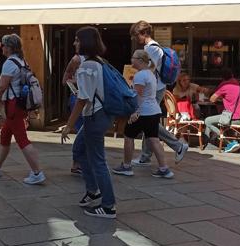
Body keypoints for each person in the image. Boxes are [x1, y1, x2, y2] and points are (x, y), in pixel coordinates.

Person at [58, 27, 117, 218]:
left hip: (94, 116)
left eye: (77, 40)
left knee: (98, 160)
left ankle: (108, 205)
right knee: (79, 150)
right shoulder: (99, 62)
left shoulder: (87, 66)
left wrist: (68, 124)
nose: (74, 43)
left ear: (85, 42)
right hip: (101, 114)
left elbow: (83, 99)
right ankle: (93, 191)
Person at [0, 34, 45, 185]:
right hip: (18, 104)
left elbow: (2, 87)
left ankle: (37, 172)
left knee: (22, 139)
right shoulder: (22, 61)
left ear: (9, 47)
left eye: (3, 45)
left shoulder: (9, 63)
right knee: (5, 135)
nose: (1, 48)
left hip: (13, 106)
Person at [128, 21, 188, 166]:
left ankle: (177, 145)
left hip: (154, 88)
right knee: (147, 120)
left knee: (149, 120)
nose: (136, 39)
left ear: (143, 33)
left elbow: (149, 70)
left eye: (136, 36)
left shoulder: (151, 49)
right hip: (157, 87)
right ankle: (145, 155)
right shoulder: (154, 47)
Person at [113, 49, 172, 178]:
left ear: (139, 60)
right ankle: (164, 168)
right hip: (154, 111)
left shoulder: (140, 76)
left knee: (128, 136)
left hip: (143, 112)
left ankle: (127, 166)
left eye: (133, 57)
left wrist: (135, 112)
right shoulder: (150, 74)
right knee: (154, 140)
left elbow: (137, 96)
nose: (131, 60)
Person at [204, 69, 240, 153]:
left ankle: (229, 142)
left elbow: (212, 99)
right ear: (233, 75)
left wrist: (222, 97)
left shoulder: (225, 85)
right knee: (221, 120)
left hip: (233, 119)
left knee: (208, 121)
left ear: (222, 78)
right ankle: (222, 141)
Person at [62, 54, 83, 174]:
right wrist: (74, 81)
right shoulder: (76, 59)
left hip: (86, 100)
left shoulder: (92, 59)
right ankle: (77, 163)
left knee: (84, 132)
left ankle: (79, 163)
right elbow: (65, 81)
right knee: (82, 132)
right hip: (78, 97)